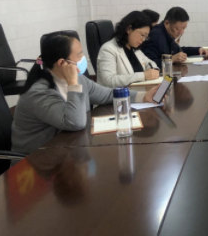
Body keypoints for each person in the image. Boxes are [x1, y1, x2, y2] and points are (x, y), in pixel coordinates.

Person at [12, 34, 159, 154]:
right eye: (79, 55)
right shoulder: (39, 93)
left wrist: (143, 96)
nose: (83, 58)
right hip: (35, 164)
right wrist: (73, 83)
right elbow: (74, 122)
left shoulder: (80, 80)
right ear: (62, 63)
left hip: (66, 151)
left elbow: (107, 94)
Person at [97, 11, 160, 88]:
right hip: (117, 94)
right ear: (129, 29)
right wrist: (143, 75)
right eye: (142, 35)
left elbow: (149, 63)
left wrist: (153, 70)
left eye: (145, 37)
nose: (143, 39)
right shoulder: (108, 49)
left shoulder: (135, 49)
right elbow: (109, 80)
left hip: (137, 91)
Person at [140, 6, 208, 68]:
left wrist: (197, 50)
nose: (181, 32)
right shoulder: (155, 35)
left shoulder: (167, 33)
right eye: (178, 29)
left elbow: (178, 51)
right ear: (167, 23)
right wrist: (171, 59)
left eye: (184, 28)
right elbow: (149, 64)